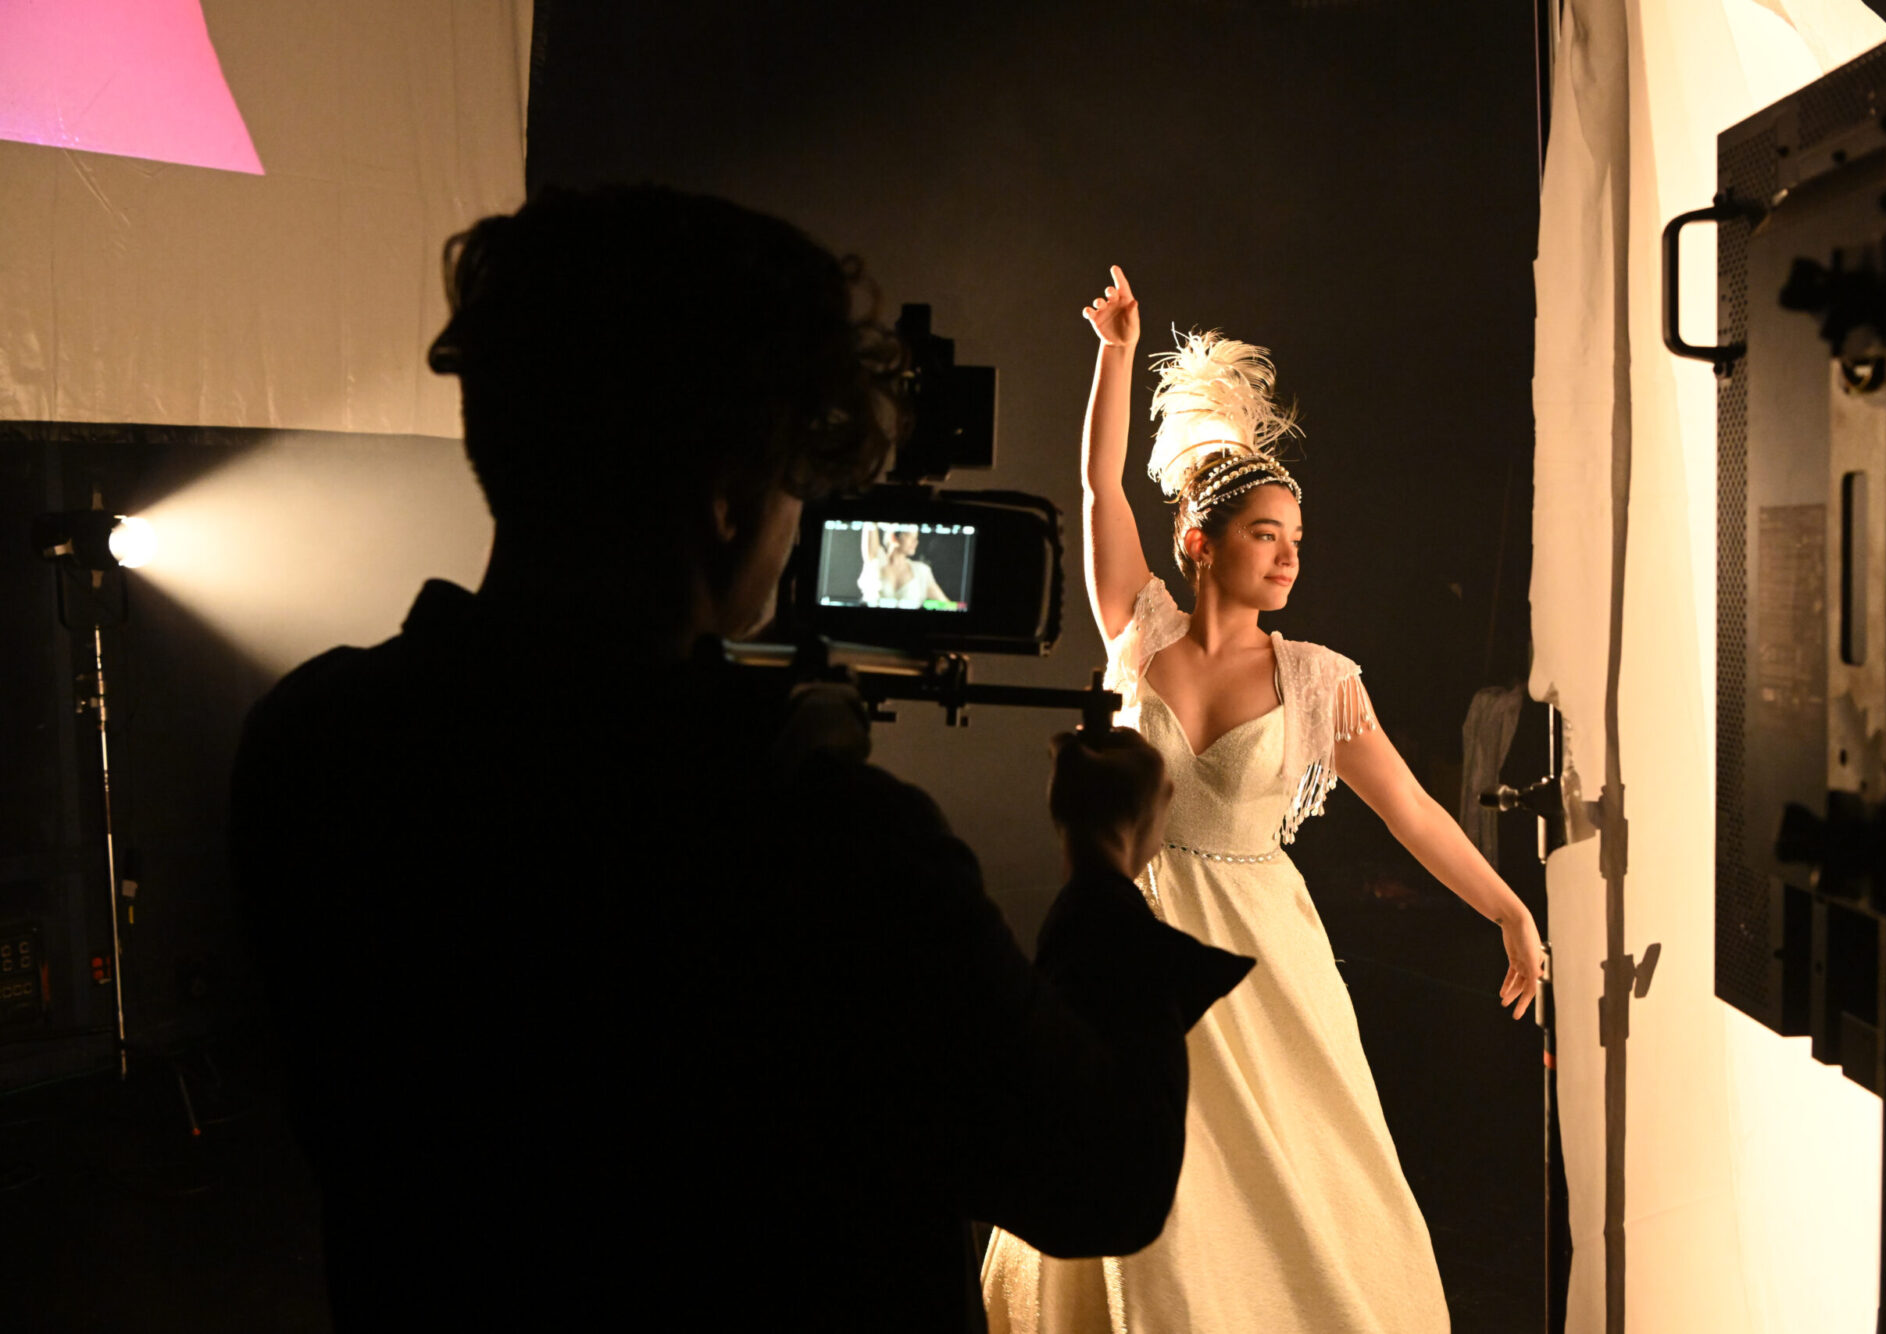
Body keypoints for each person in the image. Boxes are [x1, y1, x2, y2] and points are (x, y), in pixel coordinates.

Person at [229, 194, 1250, 1330]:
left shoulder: (316, 744)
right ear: (725, 496)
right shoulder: (828, 848)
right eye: (796, 478)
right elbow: (1102, 1173)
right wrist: (1104, 866)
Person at [981, 266, 1544, 1333]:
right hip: (1132, 935)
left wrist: (1508, 908)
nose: (1287, 554)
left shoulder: (1317, 679)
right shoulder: (1135, 632)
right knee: (1140, 1166)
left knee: (1278, 1177)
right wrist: (1114, 351)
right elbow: (1101, 487)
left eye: (1295, 537)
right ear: (1199, 540)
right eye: (1263, 534)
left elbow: (1414, 811)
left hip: (1255, 955)